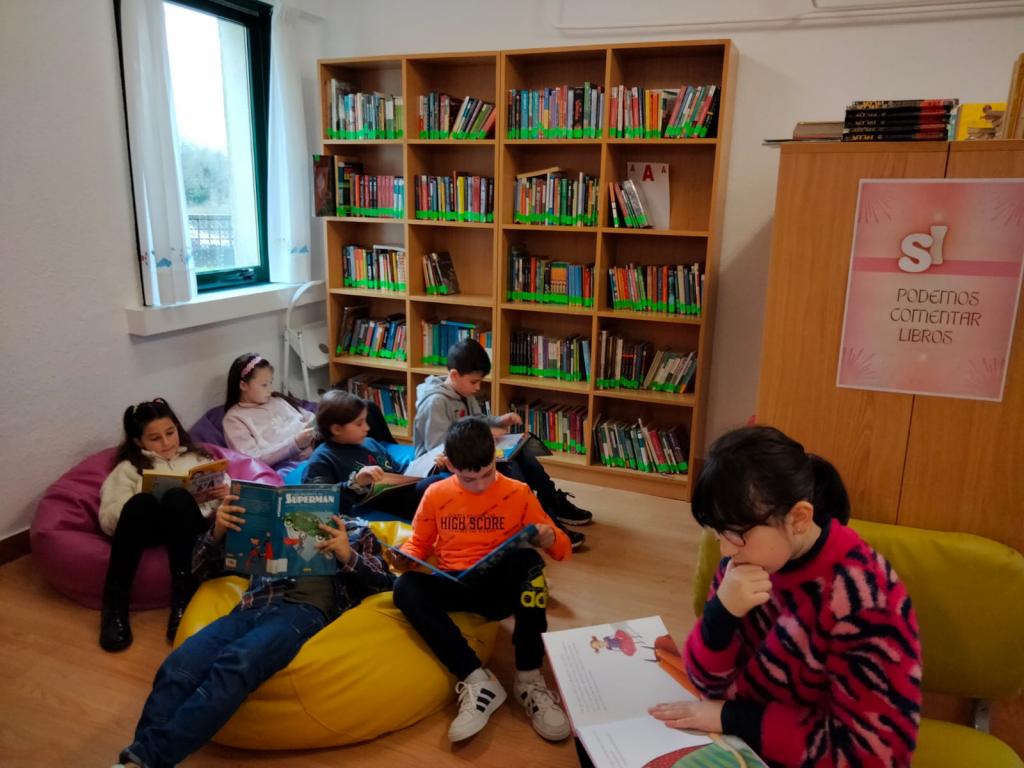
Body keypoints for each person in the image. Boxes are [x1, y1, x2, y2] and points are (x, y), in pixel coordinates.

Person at [648, 426, 921, 768]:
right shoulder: (744, 563)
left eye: (736, 533)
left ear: (799, 519)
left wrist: (731, 717)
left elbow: (871, 754)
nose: (726, 550)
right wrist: (721, 614)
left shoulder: (864, 598)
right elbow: (706, 682)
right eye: (718, 533)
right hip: (741, 741)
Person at [111, 497, 394, 768]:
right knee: (177, 665)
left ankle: (143, 760)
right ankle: (141, 760)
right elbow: (199, 569)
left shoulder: (359, 531)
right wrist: (217, 532)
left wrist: (347, 555)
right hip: (251, 607)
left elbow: (386, 584)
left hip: (303, 610)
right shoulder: (270, 523)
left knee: (240, 660)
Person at [392, 417, 573, 744]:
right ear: (450, 465)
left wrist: (550, 539)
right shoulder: (435, 494)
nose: (479, 486)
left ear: (495, 456)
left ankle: (529, 679)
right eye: (468, 479)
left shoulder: (517, 492)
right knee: (404, 587)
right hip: (457, 584)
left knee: (530, 565)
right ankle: (477, 679)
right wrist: (405, 557)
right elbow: (418, 543)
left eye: (487, 474)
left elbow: (563, 551)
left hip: (500, 590)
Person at [413, 338, 592, 549]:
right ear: (454, 375)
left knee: (523, 453)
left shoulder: (463, 392)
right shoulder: (435, 402)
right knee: (510, 468)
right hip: (443, 463)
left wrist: (499, 421)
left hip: (471, 452)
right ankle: (540, 521)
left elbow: (478, 421)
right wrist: (483, 437)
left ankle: (551, 500)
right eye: (474, 382)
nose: (478, 387)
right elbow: (438, 448)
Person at [98, 399, 229, 652]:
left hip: (190, 527)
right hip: (149, 528)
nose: (167, 443)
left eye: (170, 433)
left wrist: (222, 495)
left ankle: (183, 598)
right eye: (155, 438)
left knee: (177, 497)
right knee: (140, 502)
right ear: (139, 442)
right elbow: (108, 518)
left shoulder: (198, 458)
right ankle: (115, 603)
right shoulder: (128, 468)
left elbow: (226, 505)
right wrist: (136, 508)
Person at [301, 390, 442, 522]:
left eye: (365, 421)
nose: (367, 428)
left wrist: (434, 465)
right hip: (373, 507)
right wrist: (355, 483)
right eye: (359, 424)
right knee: (433, 488)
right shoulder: (322, 460)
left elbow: (400, 471)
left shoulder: (370, 443)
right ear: (337, 429)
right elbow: (318, 502)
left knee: (438, 483)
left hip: (397, 494)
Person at [222, 353, 315, 470]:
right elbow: (251, 459)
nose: (270, 389)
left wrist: (314, 443)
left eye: (271, 382)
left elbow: (311, 418)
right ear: (243, 385)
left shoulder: (277, 399)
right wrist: (295, 444)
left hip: (316, 449)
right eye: (264, 385)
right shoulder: (234, 419)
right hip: (288, 467)